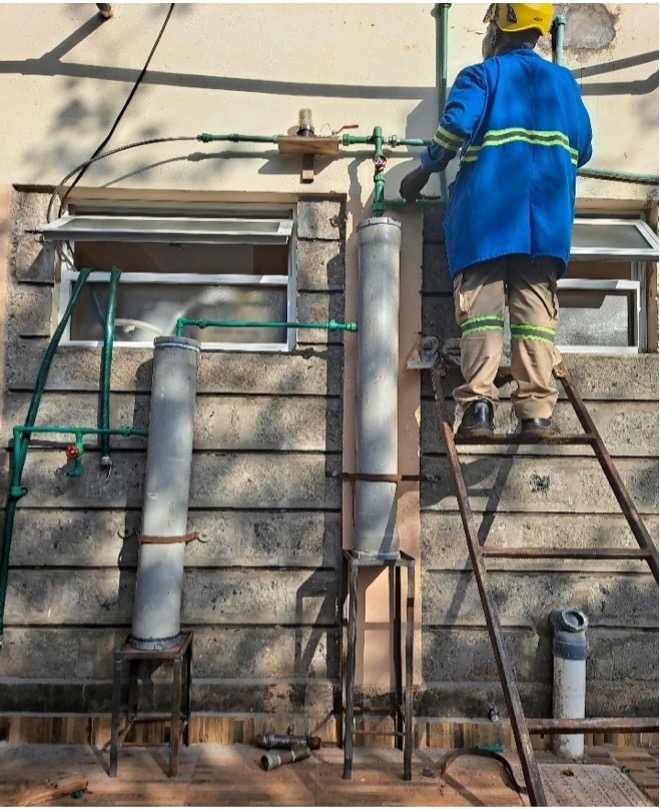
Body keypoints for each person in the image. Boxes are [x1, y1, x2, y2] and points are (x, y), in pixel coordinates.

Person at [400, 3, 592, 439]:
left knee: (482, 316)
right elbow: (584, 147)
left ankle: (479, 411)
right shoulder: (565, 85)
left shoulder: (481, 76)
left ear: (500, 30)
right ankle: (536, 415)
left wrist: (423, 170)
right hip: (544, 228)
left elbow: (455, 126)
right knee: (533, 318)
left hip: (485, 224)